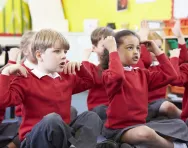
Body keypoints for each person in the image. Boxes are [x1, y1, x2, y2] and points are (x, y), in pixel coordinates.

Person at [0, 29, 103, 148]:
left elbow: (89, 83)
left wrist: (80, 68)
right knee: (52, 119)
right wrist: (6, 72)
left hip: (62, 135)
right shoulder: (25, 78)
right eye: (57, 51)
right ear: (39, 55)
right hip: (34, 139)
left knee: (91, 117)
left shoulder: (65, 76)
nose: (64, 56)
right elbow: (3, 101)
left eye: (65, 51)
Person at [101, 31, 188, 148]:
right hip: (118, 129)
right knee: (145, 133)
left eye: (138, 48)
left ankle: (132, 145)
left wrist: (156, 50)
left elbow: (171, 75)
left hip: (141, 124)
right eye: (130, 48)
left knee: (179, 124)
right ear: (116, 51)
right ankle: (176, 146)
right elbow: (118, 76)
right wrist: (111, 50)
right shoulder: (109, 75)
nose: (136, 52)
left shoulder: (143, 74)